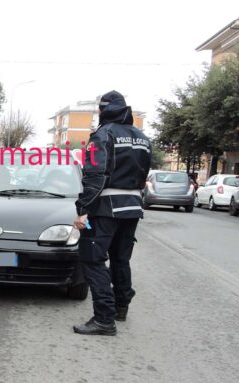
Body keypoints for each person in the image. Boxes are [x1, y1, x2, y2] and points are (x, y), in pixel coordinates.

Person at [73, 90, 151, 336]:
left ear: (104, 110)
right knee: (120, 258)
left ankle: (104, 319)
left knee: (92, 258)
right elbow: (143, 174)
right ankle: (121, 306)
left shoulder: (103, 135)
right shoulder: (142, 137)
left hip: (106, 208)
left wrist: (83, 209)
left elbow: (96, 174)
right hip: (132, 207)